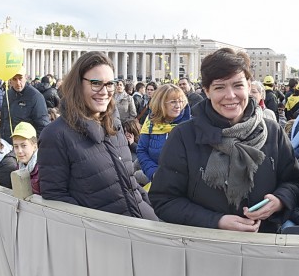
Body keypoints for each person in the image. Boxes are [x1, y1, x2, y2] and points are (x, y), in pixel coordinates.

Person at [149, 48, 299, 233]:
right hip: (206, 247)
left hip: (263, 244)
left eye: (238, 85)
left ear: (249, 85)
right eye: (219, 87)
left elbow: (294, 183)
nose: (230, 95)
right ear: (206, 91)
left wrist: (279, 200)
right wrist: (216, 221)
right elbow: (164, 200)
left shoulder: (272, 131)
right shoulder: (183, 136)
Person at [38, 51, 156, 218]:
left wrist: (153, 212)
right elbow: (57, 201)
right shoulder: (55, 135)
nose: (104, 91)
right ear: (78, 84)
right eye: (96, 83)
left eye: (109, 84)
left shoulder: (114, 125)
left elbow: (130, 183)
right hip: (106, 235)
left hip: (142, 224)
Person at [136, 84, 191, 183]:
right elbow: (142, 151)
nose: (178, 106)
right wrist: (153, 172)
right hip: (156, 181)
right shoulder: (150, 124)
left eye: (180, 101)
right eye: (173, 102)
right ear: (161, 103)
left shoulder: (191, 126)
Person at [0, 68, 50, 143]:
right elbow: (3, 120)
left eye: (20, 78)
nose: (18, 82)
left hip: (25, 146)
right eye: (14, 79)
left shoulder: (35, 96)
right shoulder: (7, 95)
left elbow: (42, 126)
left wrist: (33, 146)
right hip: (7, 144)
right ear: (10, 80)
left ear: (26, 77)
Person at [11, 122, 40, 194]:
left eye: (24, 145)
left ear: (34, 146)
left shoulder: (43, 168)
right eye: (16, 146)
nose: (19, 151)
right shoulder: (19, 167)